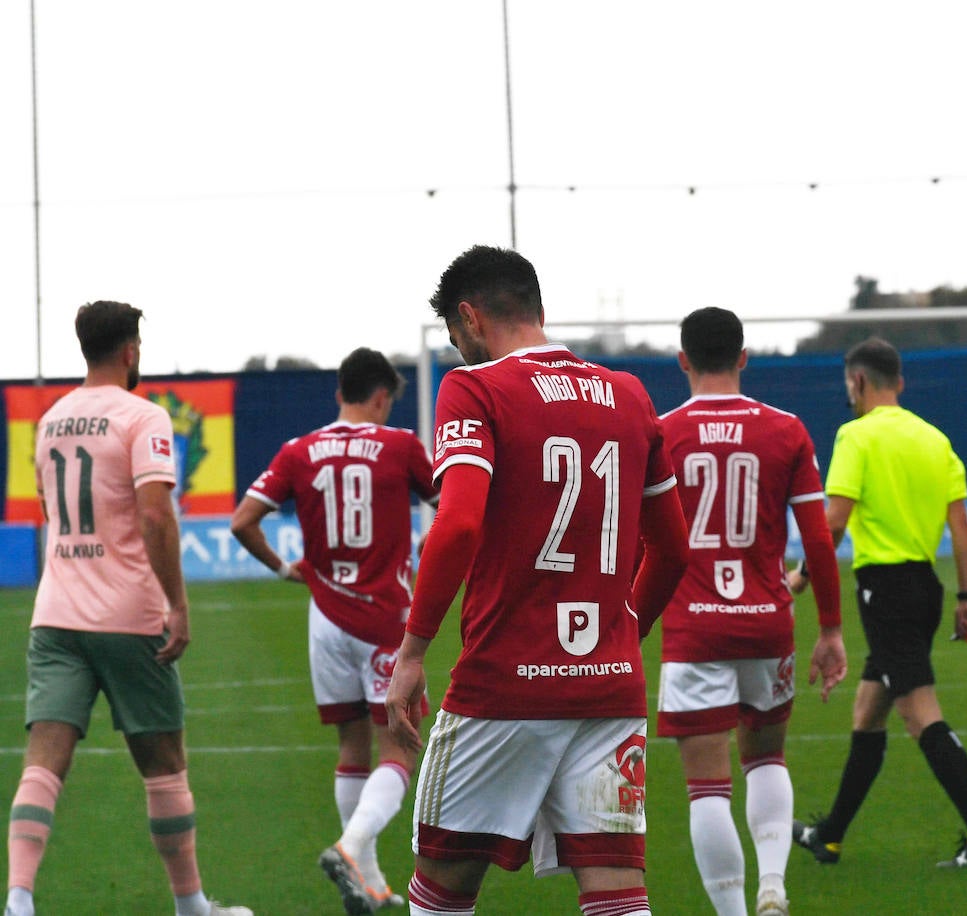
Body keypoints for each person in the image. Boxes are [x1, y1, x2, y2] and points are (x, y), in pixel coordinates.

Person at [383, 245, 691, 916]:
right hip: (607, 686)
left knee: (440, 889)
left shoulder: (477, 387)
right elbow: (671, 547)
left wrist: (411, 654)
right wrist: (625, 629)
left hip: (505, 682)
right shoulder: (631, 396)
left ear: (468, 318)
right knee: (616, 893)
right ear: (537, 307)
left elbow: (458, 525)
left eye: (454, 335)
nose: (458, 349)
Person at [5, 301, 251, 916]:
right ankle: (192, 906)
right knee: (164, 766)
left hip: (56, 615)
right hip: (129, 616)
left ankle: (18, 899)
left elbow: (49, 507)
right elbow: (154, 512)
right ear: (131, 351)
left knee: (43, 765)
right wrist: (178, 603)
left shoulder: (53, 420)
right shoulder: (143, 417)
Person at [230, 347, 438, 914]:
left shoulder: (300, 450)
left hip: (325, 618)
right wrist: (428, 543)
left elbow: (242, 521)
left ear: (339, 393)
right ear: (380, 397)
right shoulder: (400, 446)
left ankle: (367, 880)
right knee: (399, 747)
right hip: (385, 620)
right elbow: (451, 505)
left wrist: (283, 568)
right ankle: (350, 848)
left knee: (351, 745)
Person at [656, 307, 847, 916]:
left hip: (694, 630)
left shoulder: (660, 434)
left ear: (682, 359)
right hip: (768, 621)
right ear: (744, 357)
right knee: (766, 756)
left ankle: (735, 912)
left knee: (706, 787)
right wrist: (833, 630)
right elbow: (818, 542)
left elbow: (642, 542)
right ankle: (773, 887)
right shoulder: (786, 429)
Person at [790, 337, 967, 870]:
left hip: (884, 590)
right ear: (900, 383)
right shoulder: (935, 439)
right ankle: (830, 835)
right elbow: (961, 528)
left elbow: (834, 521)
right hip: (924, 588)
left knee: (920, 715)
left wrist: (799, 577)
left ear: (857, 382)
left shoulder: (856, 435)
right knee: (868, 710)